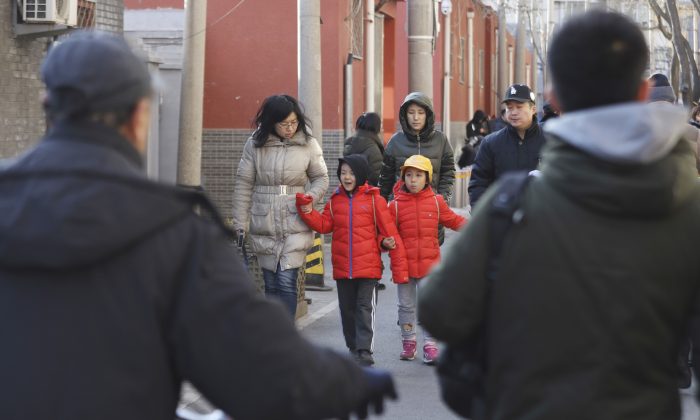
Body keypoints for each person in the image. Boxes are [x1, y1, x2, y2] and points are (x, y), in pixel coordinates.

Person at [0, 31, 398, 420]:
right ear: (140, 115)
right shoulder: (171, 232)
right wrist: (346, 383)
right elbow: (255, 360)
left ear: (46, 104)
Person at [420, 10, 700, 420]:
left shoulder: (511, 207)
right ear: (642, 91)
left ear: (554, 99)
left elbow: (440, 311)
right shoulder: (689, 209)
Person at [296, 154, 409, 366]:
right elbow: (323, 225)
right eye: (343, 173)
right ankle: (353, 347)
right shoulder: (335, 200)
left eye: (351, 173)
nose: (347, 177)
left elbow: (389, 233)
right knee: (347, 310)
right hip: (342, 268)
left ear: (361, 174)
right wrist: (307, 210)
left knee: (364, 308)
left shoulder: (376, 200)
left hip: (368, 269)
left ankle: (365, 350)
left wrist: (390, 251)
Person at [232, 94, 329, 317]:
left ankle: (286, 336)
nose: (290, 128)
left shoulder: (308, 143)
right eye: (284, 123)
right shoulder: (255, 144)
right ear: (271, 122)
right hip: (263, 219)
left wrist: (310, 198)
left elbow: (321, 178)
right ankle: (276, 335)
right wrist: (240, 223)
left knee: (286, 281)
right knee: (271, 284)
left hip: (295, 217)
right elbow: (243, 184)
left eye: (294, 122)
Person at [388, 155, 465, 364]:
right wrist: (383, 243)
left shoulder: (436, 202)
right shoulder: (394, 206)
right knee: (405, 306)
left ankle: (430, 345)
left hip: (430, 266)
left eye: (418, 175)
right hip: (404, 266)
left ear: (427, 178)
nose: (413, 180)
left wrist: (474, 227)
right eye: (409, 175)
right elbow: (385, 232)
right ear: (403, 178)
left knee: (429, 305)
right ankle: (408, 342)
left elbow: (453, 220)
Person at [378, 92, 455, 243]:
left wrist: (442, 200)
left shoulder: (441, 141)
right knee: (402, 263)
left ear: (428, 115)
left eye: (420, 113)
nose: (416, 117)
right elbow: (385, 179)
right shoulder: (396, 142)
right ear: (404, 115)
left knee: (429, 261)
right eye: (411, 112)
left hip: (431, 216)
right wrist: (382, 212)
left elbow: (449, 174)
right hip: (402, 216)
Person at [468, 83, 546, 206]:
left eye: (519, 107)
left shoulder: (550, 141)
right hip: (502, 218)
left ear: (533, 109)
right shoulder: (490, 143)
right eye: (509, 108)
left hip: (542, 218)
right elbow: (479, 184)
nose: (513, 113)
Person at [343, 112, 385, 186]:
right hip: (367, 193)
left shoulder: (349, 144)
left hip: (349, 191)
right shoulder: (373, 149)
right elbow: (377, 179)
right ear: (376, 127)